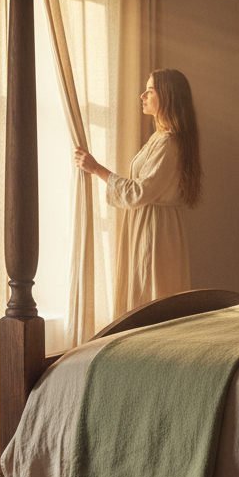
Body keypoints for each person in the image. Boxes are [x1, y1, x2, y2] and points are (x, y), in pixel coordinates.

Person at [75, 69, 202, 316]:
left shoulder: (168, 142)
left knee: (152, 297)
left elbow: (139, 192)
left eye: (150, 90)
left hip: (156, 231)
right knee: (147, 296)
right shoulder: (160, 137)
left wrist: (97, 169)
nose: (142, 95)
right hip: (152, 225)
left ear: (167, 97)